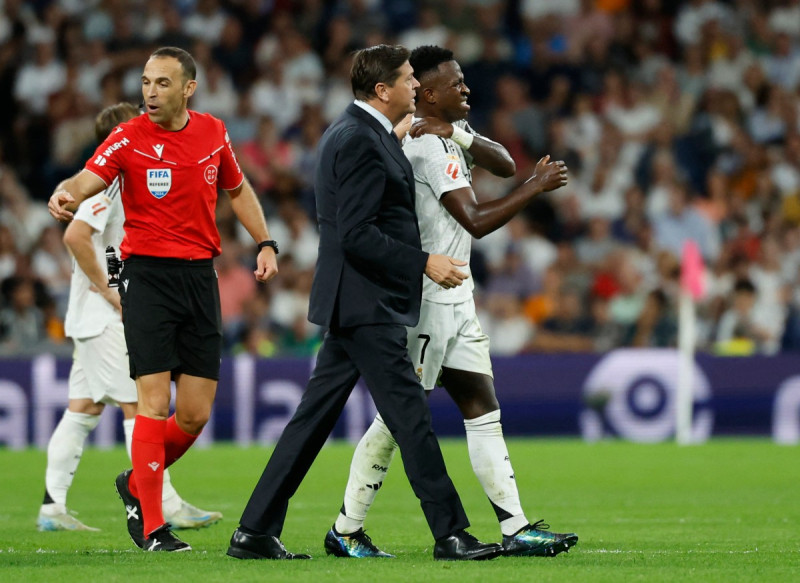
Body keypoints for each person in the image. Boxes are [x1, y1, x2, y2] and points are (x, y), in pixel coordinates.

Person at [226, 44, 501, 562]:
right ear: (383, 90)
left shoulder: (361, 132)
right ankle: (451, 534)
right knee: (410, 418)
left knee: (311, 423)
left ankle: (254, 531)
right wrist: (424, 262)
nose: (416, 87)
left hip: (354, 301)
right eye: (407, 80)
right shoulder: (359, 139)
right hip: (366, 302)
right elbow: (355, 234)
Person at [325, 45, 578, 558]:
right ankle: (346, 529)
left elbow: (504, 163)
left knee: (483, 408)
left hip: (457, 296)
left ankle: (516, 526)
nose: (466, 89)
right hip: (429, 299)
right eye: (455, 84)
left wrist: (461, 133)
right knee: (400, 419)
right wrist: (536, 186)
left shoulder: (447, 135)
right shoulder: (424, 147)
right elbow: (478, 221)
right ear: (429, 94)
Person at [48, 47, 278, 552]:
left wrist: (265, 242)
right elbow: (87, 179)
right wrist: (65, 192)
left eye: (162, 83)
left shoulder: (213, 133)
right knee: (152, 402)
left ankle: (136, 482)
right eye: (146, 83)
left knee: (194, 414)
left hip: (200, 278)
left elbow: (238, 191)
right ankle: (153, 527)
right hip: (146, 278)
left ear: (188, 88)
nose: (150, 92)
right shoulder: (126, 136)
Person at [38, 102, 222, 533]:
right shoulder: (109, 184)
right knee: (141, 407)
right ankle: (165, 503)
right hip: (104, 318)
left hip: (89, 316)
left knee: (81, 410)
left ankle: (52, 506)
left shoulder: (121, 180)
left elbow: (103, 244)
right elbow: (77, 235)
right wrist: (112, 291)